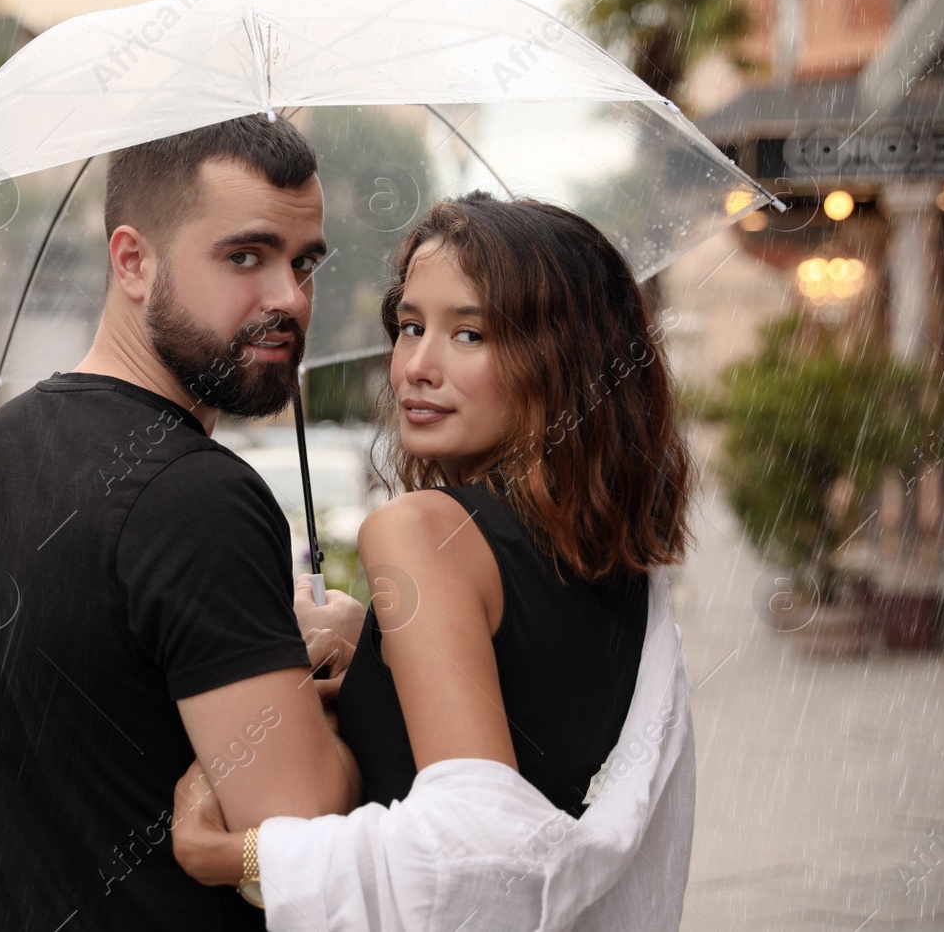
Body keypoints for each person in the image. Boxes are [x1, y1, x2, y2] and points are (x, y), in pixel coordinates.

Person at [171, 192, 698, 930]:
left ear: (562, 360)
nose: (416, 365)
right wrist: (382, 655)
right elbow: (535, 725)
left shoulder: (422, 532)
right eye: (411, 325)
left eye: (471, 334)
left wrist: (243, 856)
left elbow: (477, 851)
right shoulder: (621, 567)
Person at [0, 114, 362, 931]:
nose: (289, 299)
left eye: (304, 264)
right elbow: (304, 835)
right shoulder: (197, 498)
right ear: (133, 260)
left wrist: (253, 646)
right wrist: (347, 679)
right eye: (245, 256)